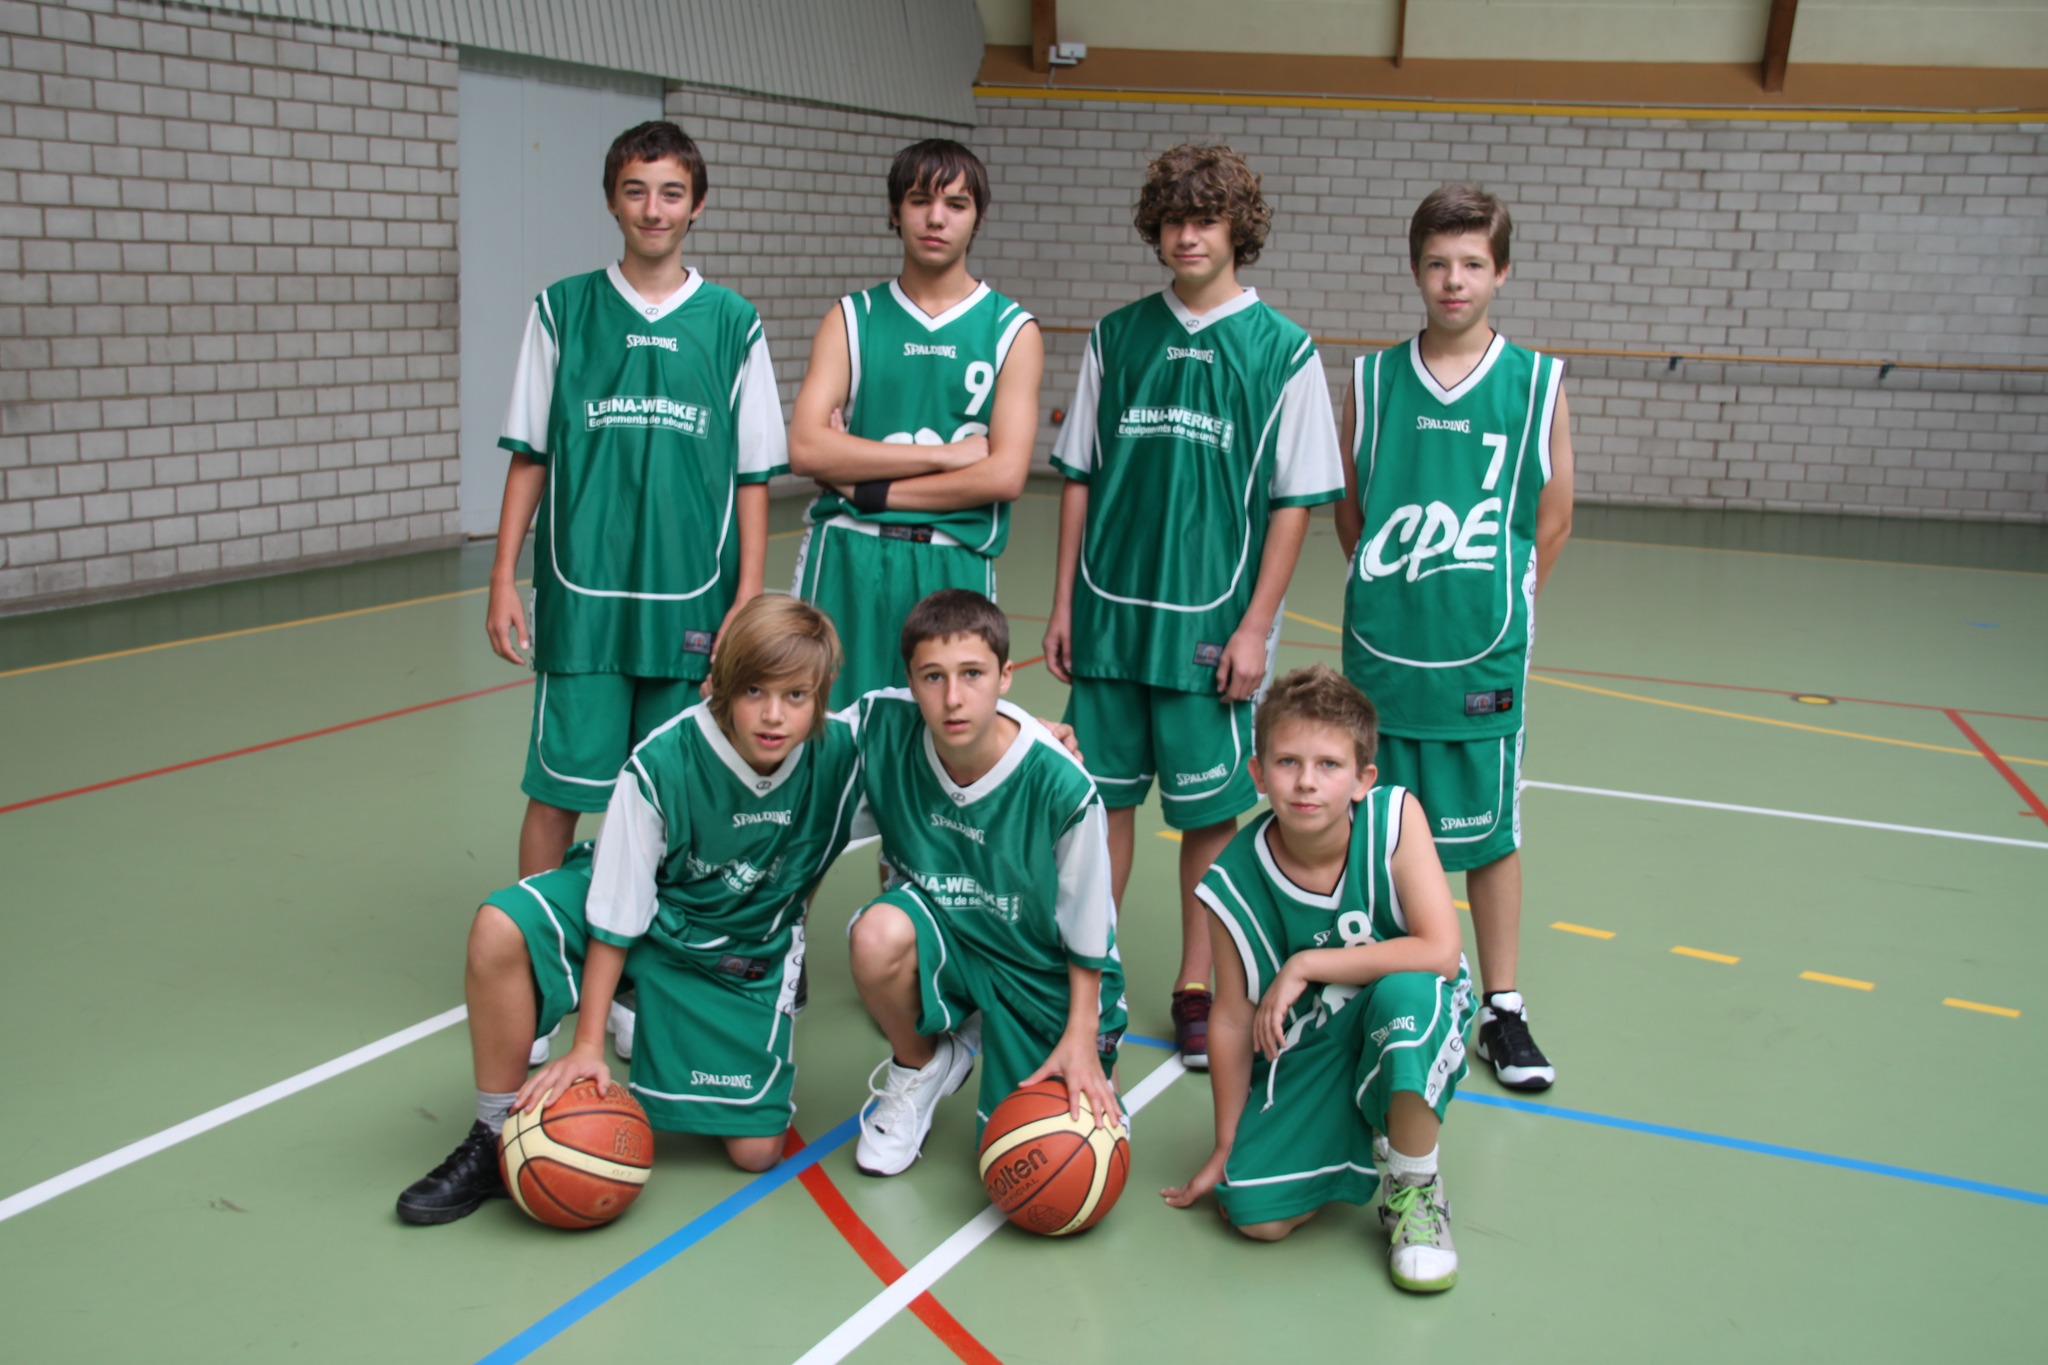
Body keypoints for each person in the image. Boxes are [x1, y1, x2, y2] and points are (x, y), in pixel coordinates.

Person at [396, 596, 862, 1224]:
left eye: (796, 695)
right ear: (722, 684)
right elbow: (617, 911)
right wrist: (587, 1044)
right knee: (500, 927)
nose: (774, 714)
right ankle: (491, 1133)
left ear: (822, 693)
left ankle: (657, 1013)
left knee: (756, 1152)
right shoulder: (663, 762)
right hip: (642, 916)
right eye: (755, 691)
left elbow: (935, 728)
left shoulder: (844, 755)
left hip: (734, 953)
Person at [1043, 144, 1344, 1070]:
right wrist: (1062, 604)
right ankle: (1090, 979)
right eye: (1173, 219)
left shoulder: (1283, 350)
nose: (1187, 235)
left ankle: (1196, 985)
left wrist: (1255, 627)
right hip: (1108, 616)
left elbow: (1295, 503)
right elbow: (1080, 475)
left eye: (1205, 219)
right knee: (1099, 808)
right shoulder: (1116, 336)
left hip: (1211, 629)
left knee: (1208, 818)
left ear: (1237, 230)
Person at [483, 119, 786, 883]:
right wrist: (501, 577)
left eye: (672, 193)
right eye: (637, 191)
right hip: (583, 603)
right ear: (612, 201)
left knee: (681, 795)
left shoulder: (733, 323)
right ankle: (536, 936)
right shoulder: (561, 311)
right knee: (557, 791)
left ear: (698, 204)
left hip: (694, 603)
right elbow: (530, 455)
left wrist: (748, 596)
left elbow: (753, 476)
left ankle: (661, 939)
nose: (654, 209)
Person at [1334, 183, 1574, 1090]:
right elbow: (1351, 513)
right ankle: (1382, 989)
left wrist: (1499, 598)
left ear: (1502, 271)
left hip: (1482, 652)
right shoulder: (1372, 380)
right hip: (1386, 649)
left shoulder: (1536, 382)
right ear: (1415, 269)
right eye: (1437, 262)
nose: (1454, 280)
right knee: (1374, 825)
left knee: (1490, 835)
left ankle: (1501, 1008)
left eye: (1473, 263)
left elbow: (1553, 518)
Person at [1162, 665, 1472, 1293]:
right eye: (1287, 762)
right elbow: (1230, 1017)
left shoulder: (1395, 820)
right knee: (1253, 1214)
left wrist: (1305, 964)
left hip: (1411, 1003)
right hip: (1319, 1041)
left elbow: (1440, 952)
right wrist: (1226, 1144)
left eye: (1329, 765)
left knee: (1405, 998)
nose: (1306, 782)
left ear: (1362, 779)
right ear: (1258, 773)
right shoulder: (1232, 879)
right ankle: (1365, 1119)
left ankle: (1415, 1188)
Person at [846, 589, 1126, 1176]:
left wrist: (1082, 1034)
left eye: (972, 674)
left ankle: (1010, 1028)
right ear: (909, 681)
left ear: (1006, 676)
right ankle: (921, 1064)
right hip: (947, 932)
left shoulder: (1062, 785)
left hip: (1037, 963)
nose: (953, 698)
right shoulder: (878, 728)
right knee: (875, 934)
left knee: (1051, 1161)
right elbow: (792, 749)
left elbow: (1089, 928)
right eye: (933, 677)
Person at [789, 138, 1042, 710]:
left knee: (945, 736)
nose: (936, 218)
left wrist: (861, 483)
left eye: (956, 204)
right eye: (920, 200)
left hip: (953, 559)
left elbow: (1003, 476)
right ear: (894, 210)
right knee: (826, 730)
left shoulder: (1012, 330)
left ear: (978, 217)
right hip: (848, 555)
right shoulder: (851, 318)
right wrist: (945, 457)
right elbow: (806, 448)